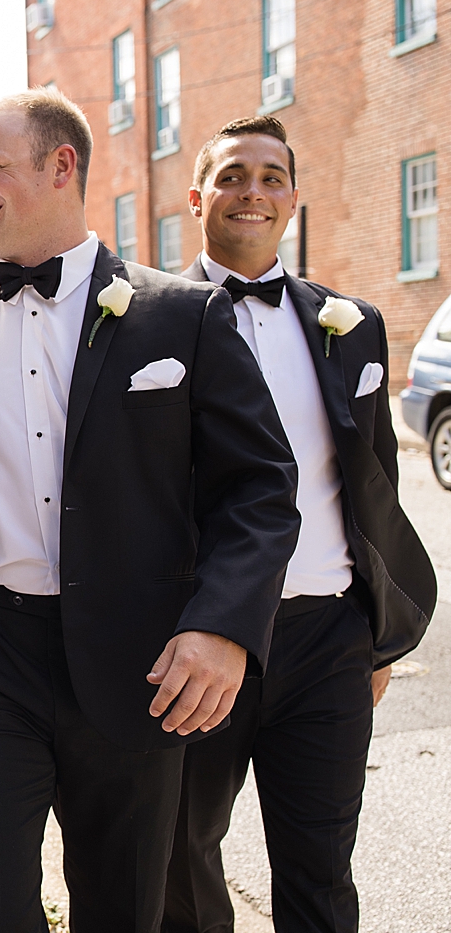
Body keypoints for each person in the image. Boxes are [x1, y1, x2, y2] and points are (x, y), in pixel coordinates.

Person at [0, 90, 302, 932]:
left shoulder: (182, 316)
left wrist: (222, 625)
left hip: (141, 657)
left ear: (61, 165)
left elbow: (260, 490)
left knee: (125, 906)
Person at [165, 116, 437, 933]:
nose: (253, 192)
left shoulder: (349, 325)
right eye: (234, 176)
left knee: (321, 873)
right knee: (183, 860)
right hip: (197, 643)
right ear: (198, 197)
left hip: (327, 641)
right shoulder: (149, 323)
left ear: (293, 197)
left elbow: (377, 485)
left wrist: (377, 631)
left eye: (272, 177)